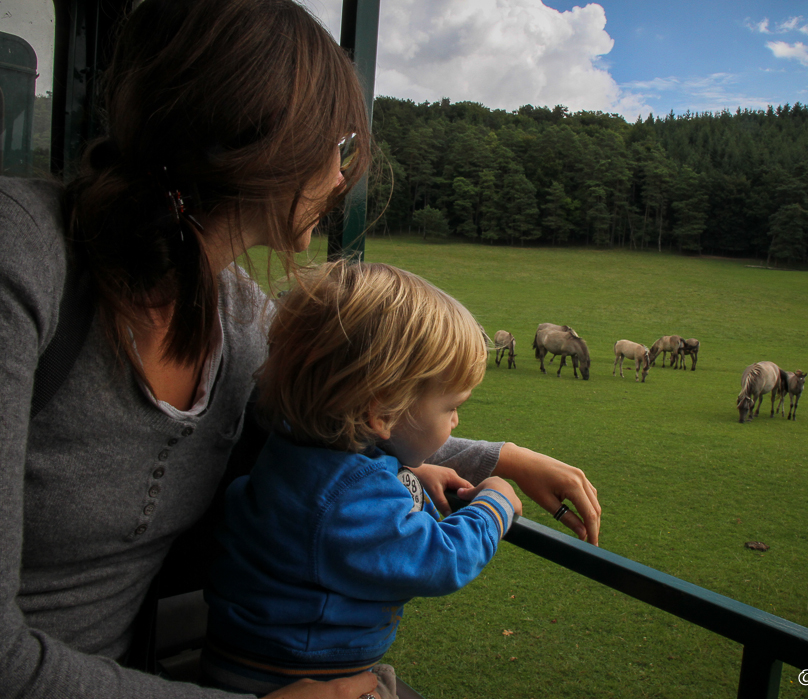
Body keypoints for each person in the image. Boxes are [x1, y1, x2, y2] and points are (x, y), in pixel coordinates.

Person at [0, 0, 600, 697]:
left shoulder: (242, 318)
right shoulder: (25, 262)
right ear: (258, 139)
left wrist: (502, 458)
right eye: (336, 144)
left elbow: (347, 416)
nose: (342, 177)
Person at [201, 261, 524, 697]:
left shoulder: (295, 451)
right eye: (451, 406)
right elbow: (440, 558)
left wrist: (409, 472)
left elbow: (350, 483)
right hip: (294, 681)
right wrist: (496, 502)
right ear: (381, 413)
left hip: (251, 662)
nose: (456, 420)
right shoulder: (346, 497)